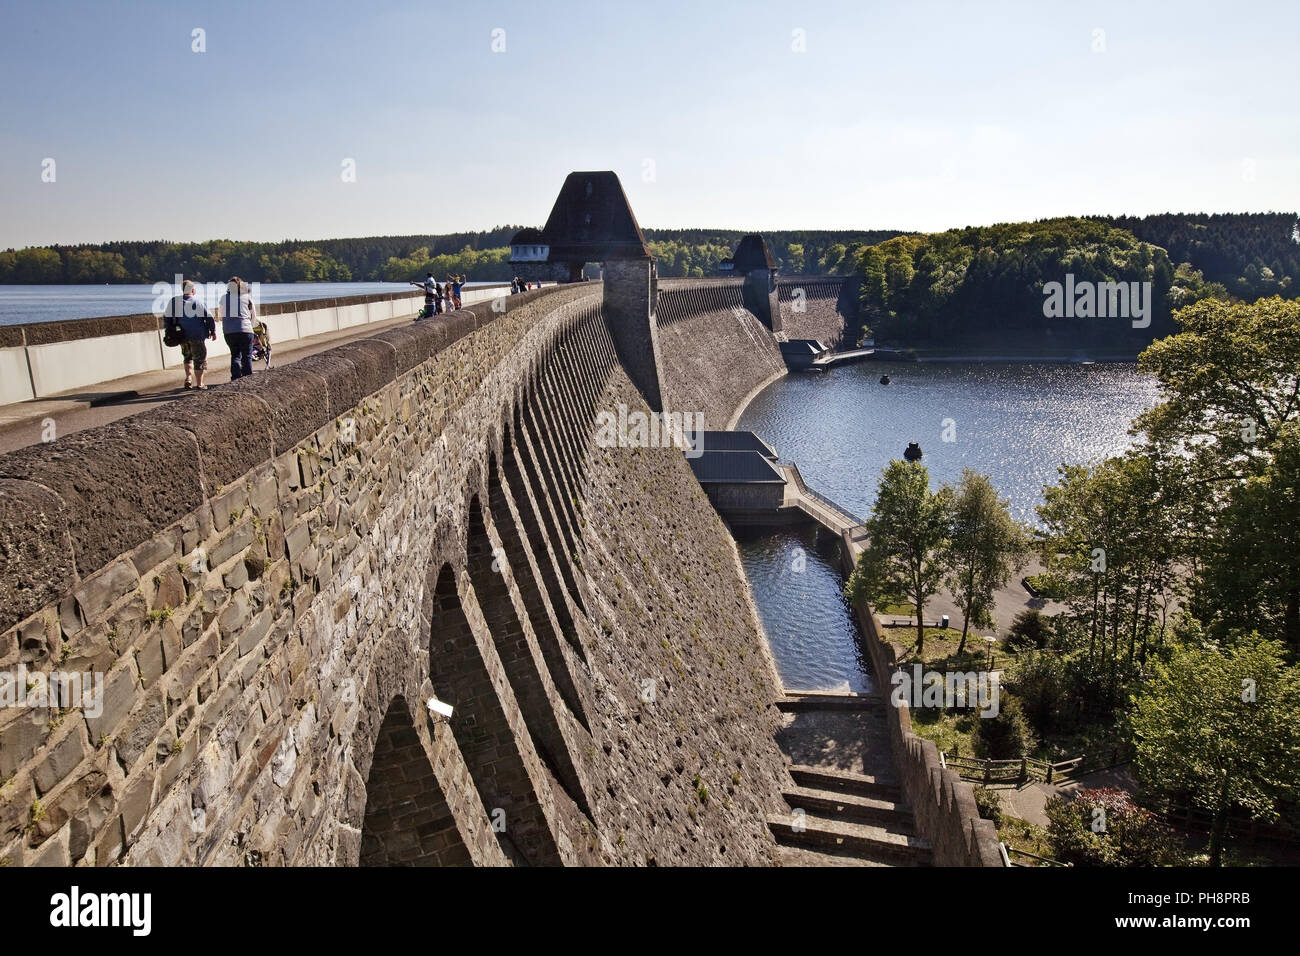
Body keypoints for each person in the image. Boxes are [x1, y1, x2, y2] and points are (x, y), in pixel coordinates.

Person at [167, 279, 216, 390]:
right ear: (193, 290)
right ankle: (200, 384)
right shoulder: (198, 302)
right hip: (197, 335)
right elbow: (209, 318)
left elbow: (167, 318)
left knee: (187, 357)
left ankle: (188, 378)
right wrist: (213, 331)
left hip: (182, 335)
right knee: (200, 359)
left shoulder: (174, 301)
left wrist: (169, 332)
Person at [221, 277, 257, 380]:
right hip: (245, 330)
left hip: (229, 331)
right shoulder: (247, 297)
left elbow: (222, 315)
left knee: (235, 355)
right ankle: (247, 377)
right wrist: (252, 328)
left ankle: (236, 378)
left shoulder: (224, 298)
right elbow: (253, 315)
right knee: (247, 355)